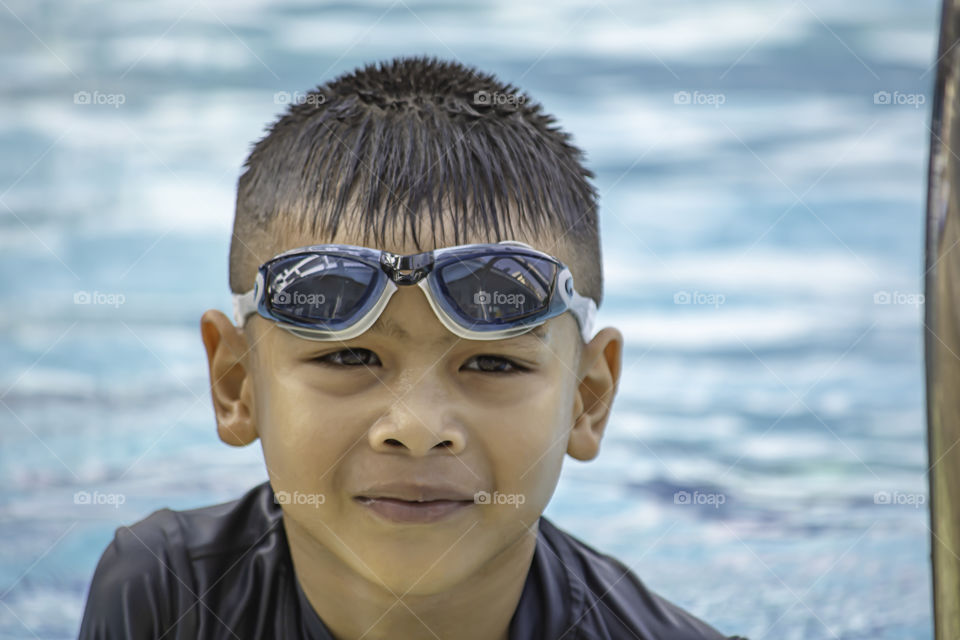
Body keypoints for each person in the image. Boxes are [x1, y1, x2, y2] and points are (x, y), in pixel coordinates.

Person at [78, 55, 746, 640]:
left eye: (492, 362)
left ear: (587, 400)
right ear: (236, 385)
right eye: (348, 356)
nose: (419, 430)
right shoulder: (167, 598)